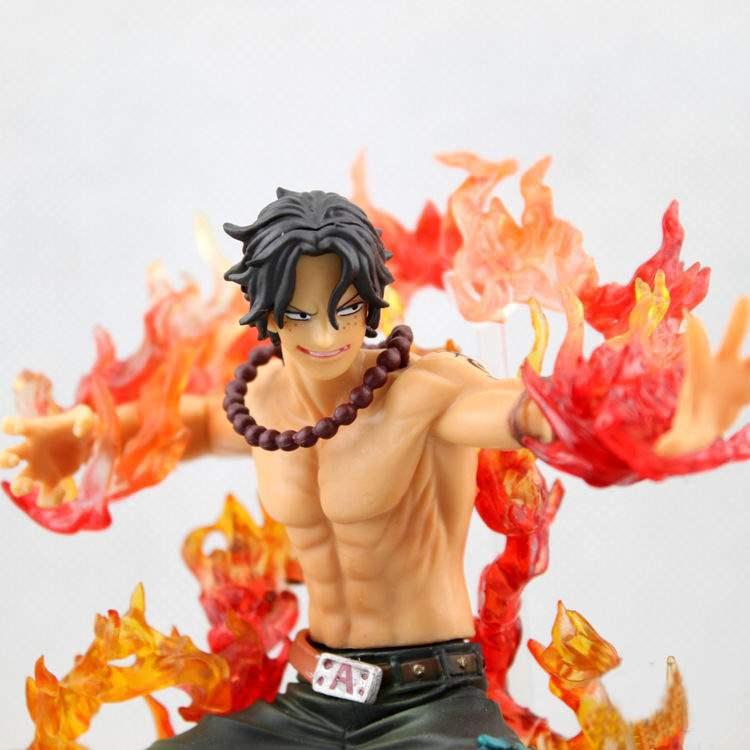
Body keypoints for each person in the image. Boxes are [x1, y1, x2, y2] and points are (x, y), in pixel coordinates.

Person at [4, 188, 551, 749]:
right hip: (315, 701)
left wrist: (564, 408)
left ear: (370, 303)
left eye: (345, 310)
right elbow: (194, 424)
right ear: (267, 313)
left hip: (432, 706)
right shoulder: (261, 399)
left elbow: (509, 410)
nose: (325, 336)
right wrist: (97, 438)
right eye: (300, 314)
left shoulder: (426, 390)